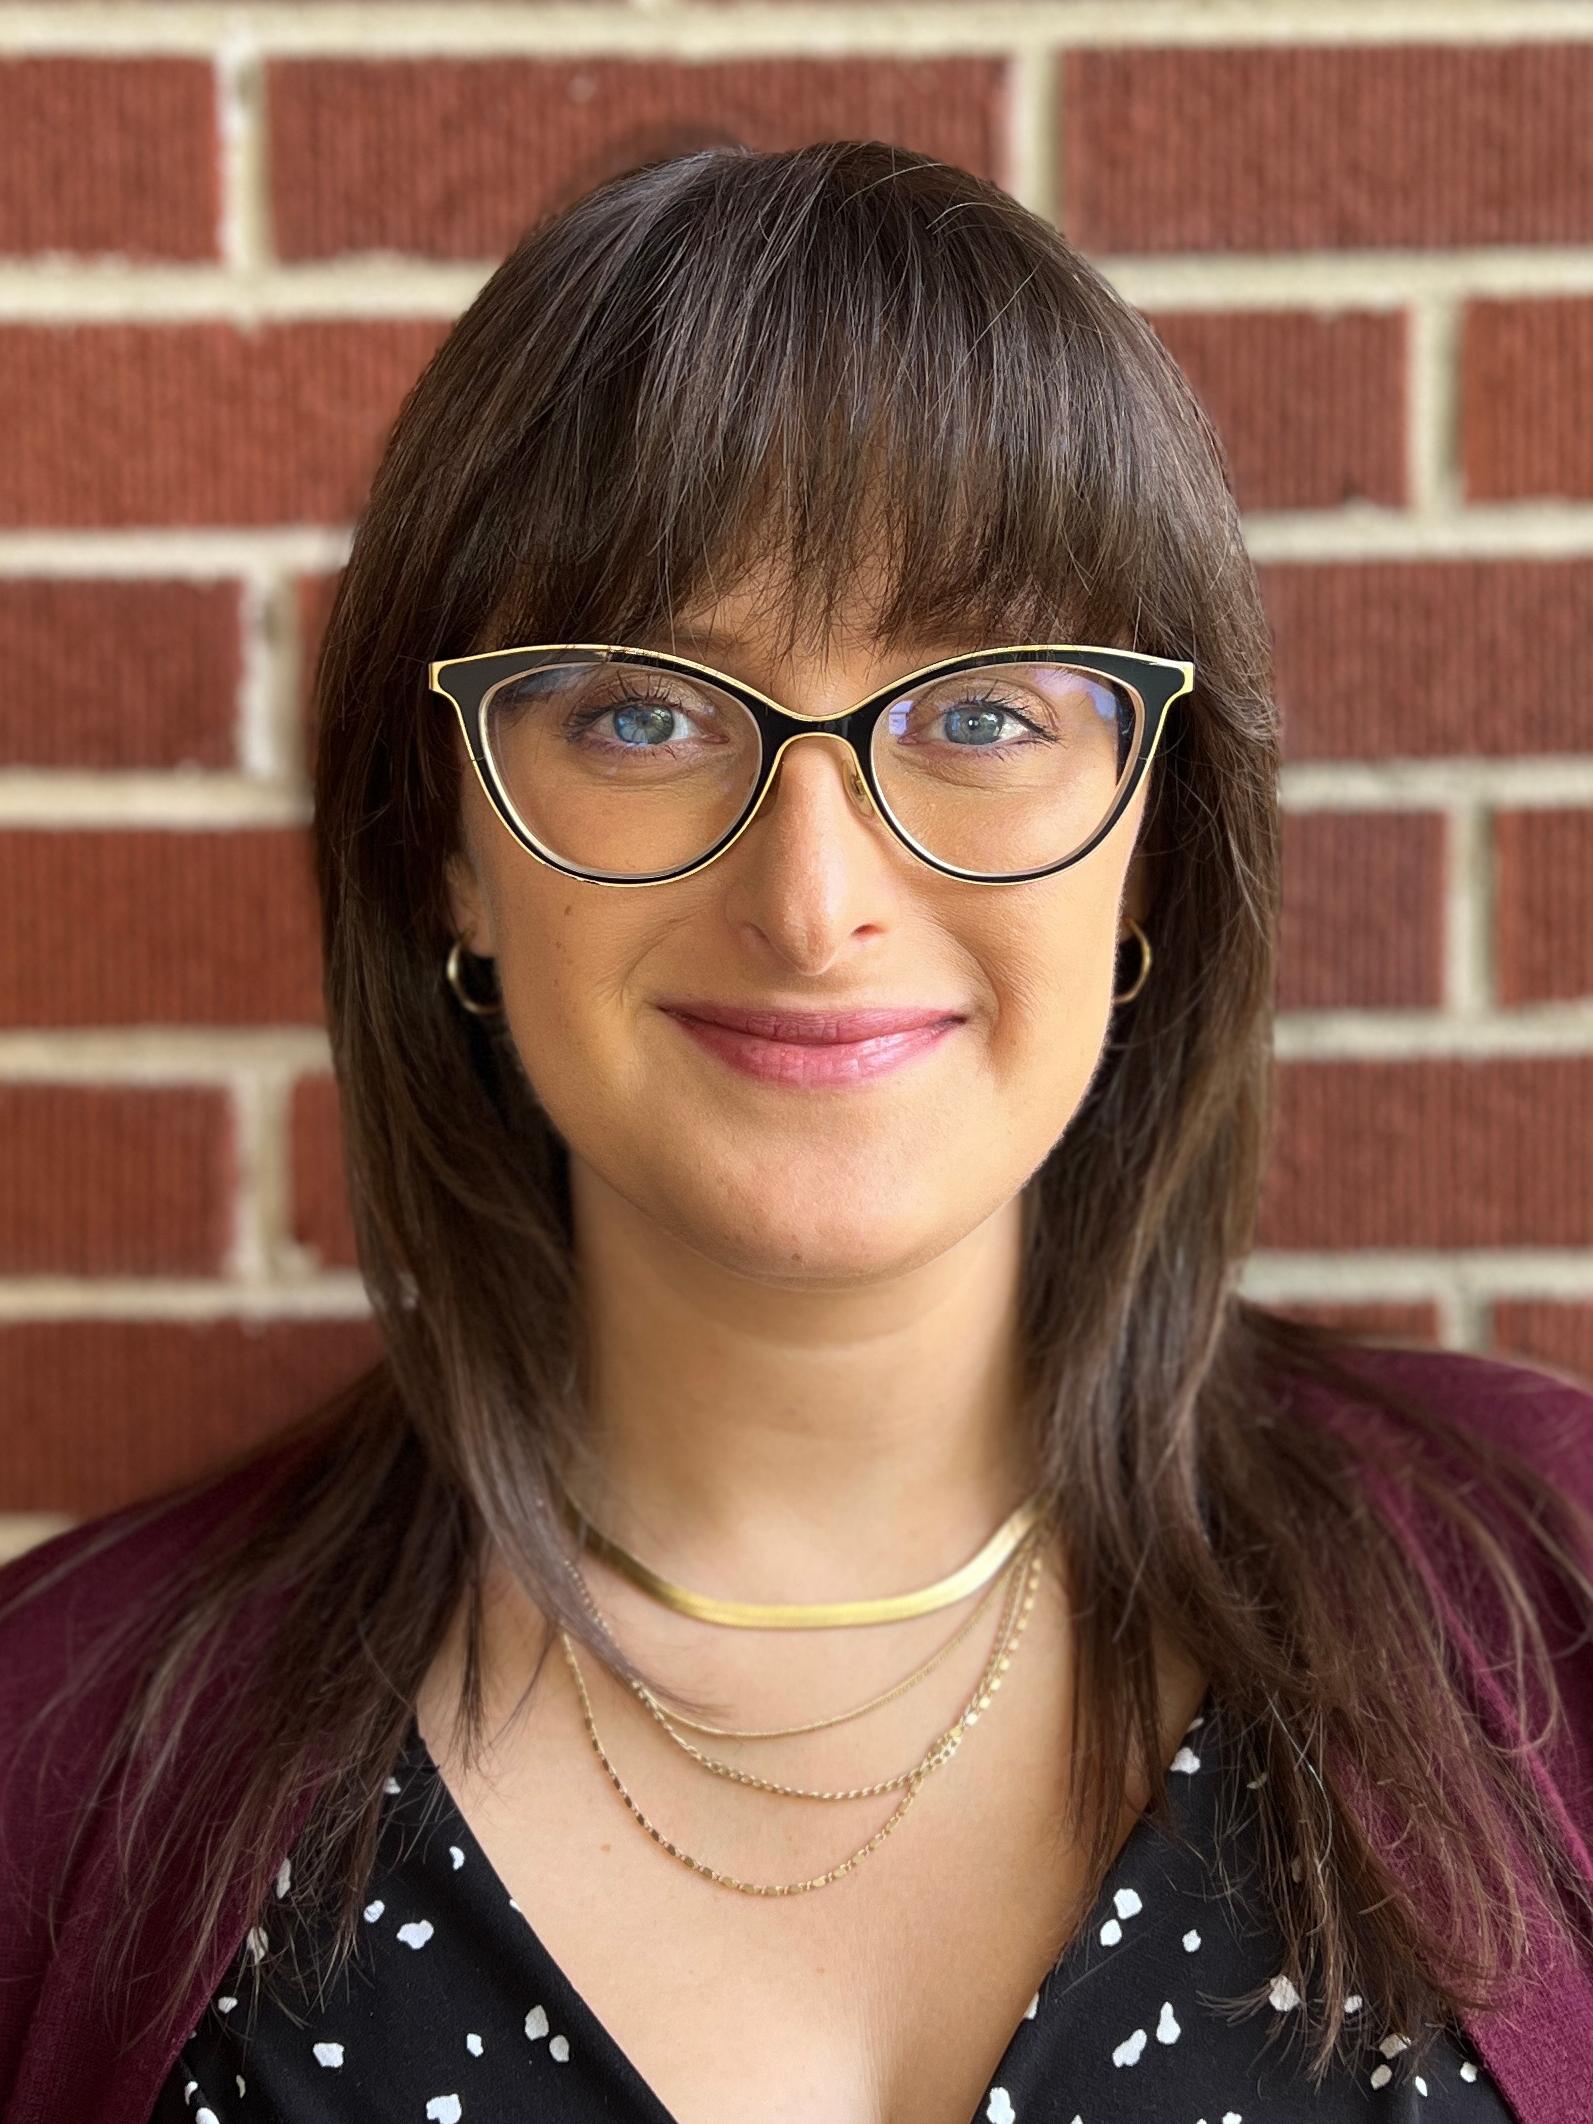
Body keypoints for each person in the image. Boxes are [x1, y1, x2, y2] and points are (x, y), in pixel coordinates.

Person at [4, 138, 1593, 2124]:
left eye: (986, 713)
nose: (813, 897)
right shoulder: (51, 1760)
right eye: (644, 716)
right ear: (448, 856)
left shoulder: (1550, 1609)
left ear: (1153, 847)